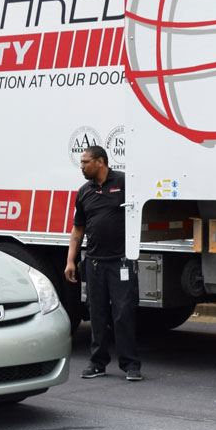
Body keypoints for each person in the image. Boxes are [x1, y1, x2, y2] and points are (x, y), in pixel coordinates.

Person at [64, 145, 141, 381]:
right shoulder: (84, 191)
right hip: (95, 263)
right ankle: (97, 363)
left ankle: (130, 365)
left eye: (85, 162)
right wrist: (70, 261)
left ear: (100, 161)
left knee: (123, 313)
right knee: (97, 314)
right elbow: (78, 229)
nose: (82, 167)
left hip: (121, 262)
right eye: (81, 162)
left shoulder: (125, 183)